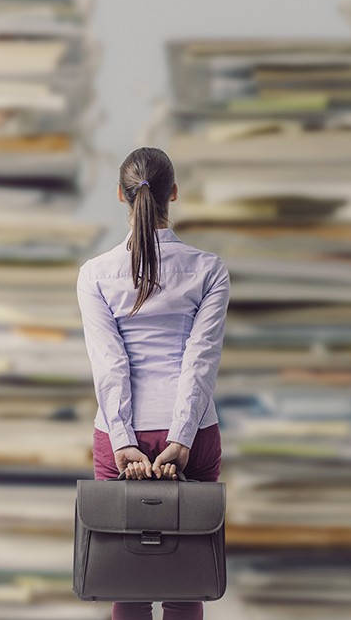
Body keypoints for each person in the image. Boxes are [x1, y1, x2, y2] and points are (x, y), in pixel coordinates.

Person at [76, 147, 229, 620]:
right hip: (193, 435)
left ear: (120, 196)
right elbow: (199, 362)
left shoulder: (95, 274)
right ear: (174, 194)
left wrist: (123, 441)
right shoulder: (209, 269)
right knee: (187, 580)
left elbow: (110, 365)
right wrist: (181, 439)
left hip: (121, 437)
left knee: (127, 578)